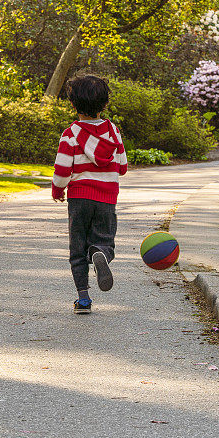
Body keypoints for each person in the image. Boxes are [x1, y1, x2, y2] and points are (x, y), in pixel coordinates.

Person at [51, 75, 128, 314]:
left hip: (79, 199)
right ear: (105, 104)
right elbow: (122, 166)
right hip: (107, 198)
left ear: (72, 104)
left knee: (77, 248)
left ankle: (83, 299)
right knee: (104, 240)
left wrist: (57, 188)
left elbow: (63, 169)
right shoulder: (113, 131)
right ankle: (100, 254)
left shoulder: (70, 134)